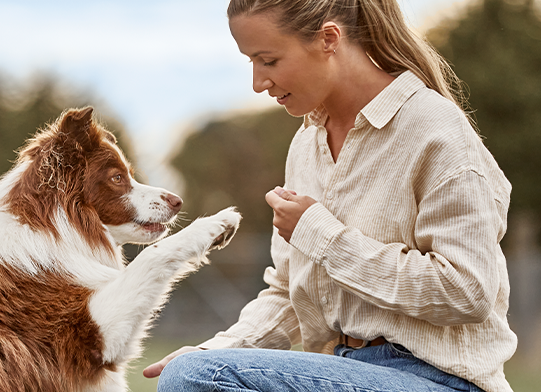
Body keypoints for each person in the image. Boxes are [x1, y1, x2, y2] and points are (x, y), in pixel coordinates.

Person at [143, 0, 517, 391]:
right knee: (195, 370)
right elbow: (289, 292)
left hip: (440, 379)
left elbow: (467, 291)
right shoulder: (307, 144)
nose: (257, 82)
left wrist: (321, 235)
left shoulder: (434, 129)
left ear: (328, 39)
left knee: (197, 381)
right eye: (250, 62)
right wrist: (215, 350)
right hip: (343, 368)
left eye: (267, 60)